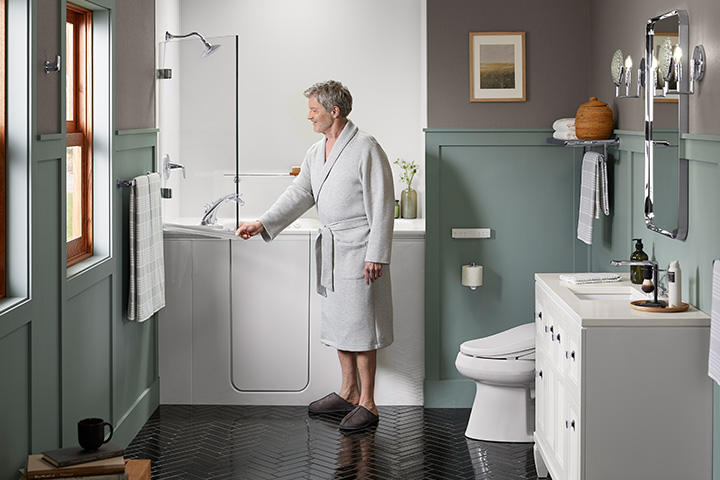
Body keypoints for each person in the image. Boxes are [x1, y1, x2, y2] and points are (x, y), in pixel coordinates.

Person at [235, 80, 395, 431]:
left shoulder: (366, 147)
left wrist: (377, 254)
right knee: (340, 324)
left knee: (362, 326)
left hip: (360, 247)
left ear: (333, 111)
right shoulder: (316, 151)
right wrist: (262, 223)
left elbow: (383, 204)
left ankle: (369, 403)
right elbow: (299, 193)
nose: (309, 116)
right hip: (333, 250)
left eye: (313, 110)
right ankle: (348, 391)